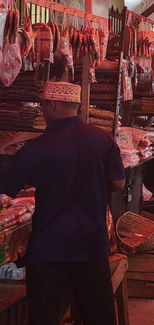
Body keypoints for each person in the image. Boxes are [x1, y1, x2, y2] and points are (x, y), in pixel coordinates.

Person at [0, 82, 125, 325]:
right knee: (98, 315)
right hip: (91, 243)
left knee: (45, 316)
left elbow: (6, 186)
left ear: (52, 104)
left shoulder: (36, 147)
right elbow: (118, 183)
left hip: (49, 246)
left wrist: (7, 148)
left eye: (43, 106)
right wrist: (92, 187)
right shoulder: (102, 138)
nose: (43, 111)